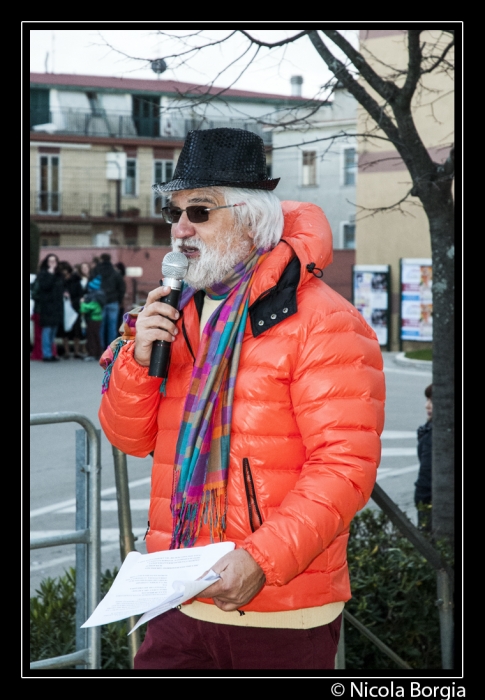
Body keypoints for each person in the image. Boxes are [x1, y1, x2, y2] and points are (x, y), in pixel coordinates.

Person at [98, 128, 386, 671]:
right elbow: (128, 438)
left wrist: (260, 559)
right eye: (174, 211)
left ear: (252, 218)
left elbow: (345, 465)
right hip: (175, 598)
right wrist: (137, 363)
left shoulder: (324, 320)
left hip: (277, 607)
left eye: (200, 211)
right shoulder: (173, 313)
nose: (181, 229)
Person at [92, 253, 126, 351]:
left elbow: (92, 285)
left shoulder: (96, 271)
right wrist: (119, 300)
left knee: (101, 326)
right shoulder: (115, 272)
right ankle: (112, 348)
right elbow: (122, 288)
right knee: (112, 326)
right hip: (113, 301)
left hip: (99, 302)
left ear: (101, 259)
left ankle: (101, 347)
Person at [35, 253, 64, 362]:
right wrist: (50, 274)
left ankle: (52, 353)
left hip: (57, 307)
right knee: (47, 331)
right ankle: (46, 354)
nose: (52, 263)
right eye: (50, 261)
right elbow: (45, 287)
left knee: (53, 332)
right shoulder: (43, 274)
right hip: (47, 307)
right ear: (47, 263)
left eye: (54, 261)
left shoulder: (58, 275)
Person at [414, 384, 433, 531]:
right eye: (427, 400)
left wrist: (421, 503)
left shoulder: (433, 436)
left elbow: (426, 475)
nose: (427, 406)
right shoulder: (429, 430)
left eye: (432, 401)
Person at [58, 261, 85, 359]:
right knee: (64, 331)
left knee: (76, 331)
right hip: (63, 309)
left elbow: (80, 295)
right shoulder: (60, 281)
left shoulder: (76, 281)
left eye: (66, 272)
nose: (65, 274)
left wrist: (73, 301)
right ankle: (67, 352)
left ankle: (76, 352)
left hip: (74, 308)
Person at [79, 281, 104, 362]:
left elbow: (86, 309)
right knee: (96, 336)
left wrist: (82, 303)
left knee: (91, 337)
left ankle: (92, 353)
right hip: (97, 319)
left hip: (92, 319)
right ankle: (98, 353)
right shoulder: (100, 296)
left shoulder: (94, 297)